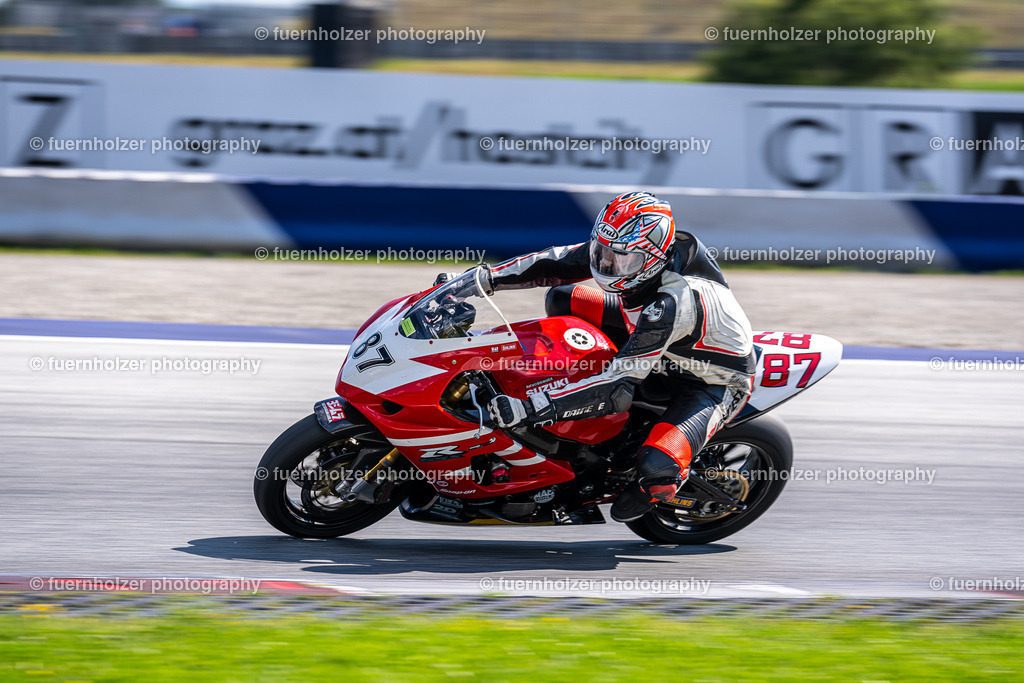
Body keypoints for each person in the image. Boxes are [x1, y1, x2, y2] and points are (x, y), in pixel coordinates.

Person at [484, 191, 756, 522]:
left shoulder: (674, 302)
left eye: (623, 260)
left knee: (656, 470)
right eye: (603, 253)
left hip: (709, 380)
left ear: (652, 259)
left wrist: (531, 409)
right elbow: (554, 262)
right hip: (657, 337)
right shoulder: (632, 249)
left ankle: (658, 487)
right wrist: (485, 278)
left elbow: (617, 389)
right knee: (563, 297)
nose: (609, 266)